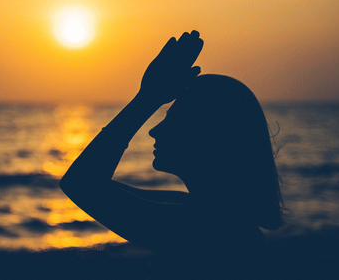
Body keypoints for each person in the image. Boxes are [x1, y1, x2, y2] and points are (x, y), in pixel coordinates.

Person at [60, 30, 285, 279]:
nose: (154, 131)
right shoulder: (208, 214)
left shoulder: (207, 231)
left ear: (206, 135)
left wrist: (148, 98)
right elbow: (92, 185)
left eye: (172, 119)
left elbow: (80, 183)